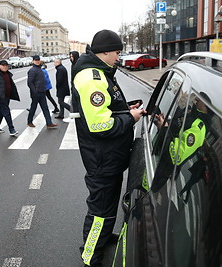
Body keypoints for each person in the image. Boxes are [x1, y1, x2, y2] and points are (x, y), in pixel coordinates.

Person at [71, 29, 146, 267]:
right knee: (99, 210)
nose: (118, 57)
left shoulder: (102, 71)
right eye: (116, 52)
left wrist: (126, 108)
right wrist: (131, 118)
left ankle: (102, 239)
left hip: (109, 157)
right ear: (104, 52)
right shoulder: (91, 77)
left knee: (109, 204)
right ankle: (90, 254)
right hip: (101, 158)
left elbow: (108, 108)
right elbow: (100, 125)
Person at [0, 59, 20, 136]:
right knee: (7, 112)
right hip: (0, 97)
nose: (5, 67)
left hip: (7, 96)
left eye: (6, 66)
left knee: (2, 111)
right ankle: (11, 129)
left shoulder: (8, 74)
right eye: (3, 65)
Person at [27, 55, 58, 129]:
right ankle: (29, 122)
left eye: (38, 60)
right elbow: (29, 83)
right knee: (33, 108)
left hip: (42, 92)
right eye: (36, 60)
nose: (37, 61)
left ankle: (49, 123)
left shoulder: (40, 69)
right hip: (36, 93)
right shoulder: (32, 70)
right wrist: (35, 92)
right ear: (33, 61)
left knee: (45, 108)